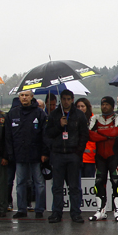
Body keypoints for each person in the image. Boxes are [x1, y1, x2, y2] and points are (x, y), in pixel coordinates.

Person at [45, 89, 90, 223]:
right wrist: (59, 126)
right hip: (58, 155)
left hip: (73, 155)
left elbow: (84, 134)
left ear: (72, 99)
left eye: (68, 99)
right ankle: (56, 213)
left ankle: (76, 213)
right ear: (61, 99)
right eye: (63, 99)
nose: (66, 101)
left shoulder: (78, 115)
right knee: (57, 187)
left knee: (74, 187)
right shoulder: (54, 115)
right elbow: (48, 134)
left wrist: (78, 152)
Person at [5, 90, 48, 218]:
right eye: (22, 95)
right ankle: (21, 209)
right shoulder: (12, 114)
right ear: (19, 97)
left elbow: (45, 135)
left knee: (39, 183)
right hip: (19, 154)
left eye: (26, 96)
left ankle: (39, 209)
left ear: (31, 97)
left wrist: (44, 152)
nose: (24, 98)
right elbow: (8, 136)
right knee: (20, 183)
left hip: (36, 154)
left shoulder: (39, 113)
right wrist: (10, 153)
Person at [88, 96, 118, 221]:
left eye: (107, 104)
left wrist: (99, 131)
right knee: (99, 181)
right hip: (100, 156)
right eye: (103, 104)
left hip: (114, 155)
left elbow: (115, 132)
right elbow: (90, 135)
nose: (104, 106)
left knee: (116, 181)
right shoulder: (95, 118)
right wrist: (106, 135)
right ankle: (101, 210)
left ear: (112, 106)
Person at [75, 98, 96, 178]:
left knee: (89, 182)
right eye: (78, 106)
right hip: (77, 157)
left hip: (90, 157)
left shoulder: (94, 120)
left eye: (82, 106)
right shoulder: (73, 119)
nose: (80, 108)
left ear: (87, 107)